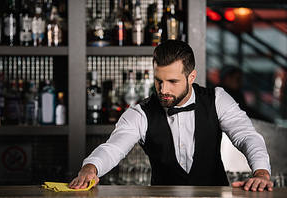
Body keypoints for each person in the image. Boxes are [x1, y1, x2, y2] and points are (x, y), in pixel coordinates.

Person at [69, 40, 273, 191]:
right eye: (159, 80)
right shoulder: (141, 113)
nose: (163, 89)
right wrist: (90, 168)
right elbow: (114, 147)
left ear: (191, 76)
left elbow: (246, 136)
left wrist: (261, 172)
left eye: (173, 81)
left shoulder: (217, 99)